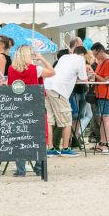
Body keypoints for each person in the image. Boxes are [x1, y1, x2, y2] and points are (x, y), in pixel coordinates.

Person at [8, 45, 55, 176]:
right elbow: (52, 72)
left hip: (17, 107)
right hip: (35, 106)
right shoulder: (36, 69)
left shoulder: (11, 69)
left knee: (20, 136)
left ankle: (20, 169)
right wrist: (42, 59)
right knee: (39, 136)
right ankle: (39, 166)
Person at [44, 45, 88, 157]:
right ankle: (65, 148)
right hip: (60, 89)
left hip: (48, 85)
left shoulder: (64, 57)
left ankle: (50, 148)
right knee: (67, 120)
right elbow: (83, 78)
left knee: (50, 119)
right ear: (83, 54)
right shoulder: (80, 60)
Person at [91, 42, 109, 152]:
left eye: (96, 54)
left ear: (100, 51)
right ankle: (102, 142)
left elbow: (107, 80)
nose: (95, 57)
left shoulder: (108, 62)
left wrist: (95, 75)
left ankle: (105, 142)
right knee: (101, 118)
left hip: (105, 94)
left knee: (105, 118)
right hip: (100, 94)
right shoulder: (101, 62)